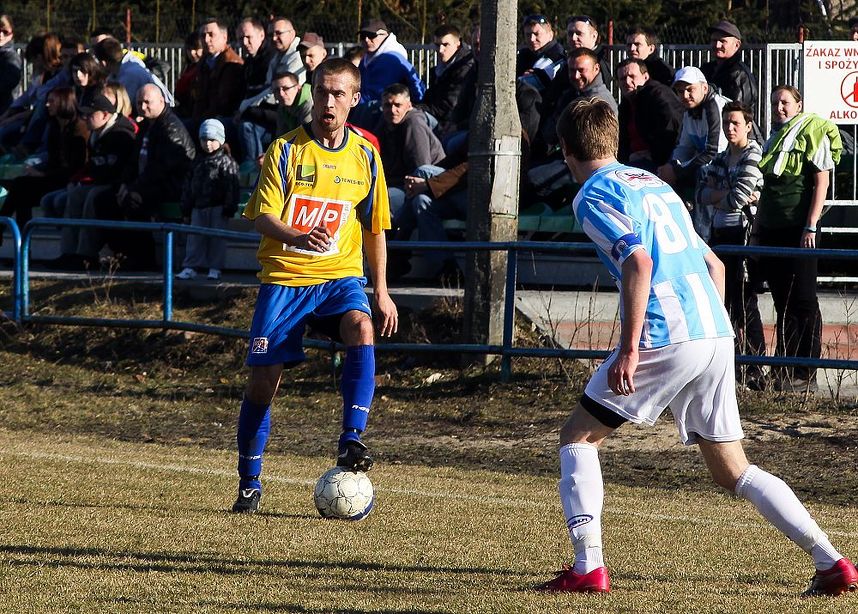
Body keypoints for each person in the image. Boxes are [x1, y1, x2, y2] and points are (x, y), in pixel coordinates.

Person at [537, 96, 857, 598]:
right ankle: (832, 561)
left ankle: (587, 567)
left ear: (564, 149)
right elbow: (716, 267)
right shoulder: (655, 185)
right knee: (734, 470)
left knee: (578, 437)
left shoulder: (593, 194)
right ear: (613, 139)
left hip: (669, 334)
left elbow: (637, 264)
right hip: (714, 330)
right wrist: (711, 331)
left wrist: (629, 348)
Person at [230, 58, 398, 514]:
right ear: (312, 92)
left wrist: (380, 290)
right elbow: (262, 214)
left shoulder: (366, 155)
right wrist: (296, 236)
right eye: (322, 92)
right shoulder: (285, 150)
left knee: (361, 326)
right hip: (285, 279)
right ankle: (249, 480)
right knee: (264, 383)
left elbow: (374, 228)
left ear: (354, 100)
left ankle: (350, 440)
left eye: (338, 94)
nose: (328, 102)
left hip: (339, 277)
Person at [754, 85, 842, 392]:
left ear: (799, 104)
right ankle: (786, 368)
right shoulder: (773, 138)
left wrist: (810, 226)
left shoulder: (811, 130)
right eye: (775, 101)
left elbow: (821, 181)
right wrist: (757, 229)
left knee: (803, 300)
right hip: (772, 231)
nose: (779, 107)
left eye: (785, 102)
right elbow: (766, 189)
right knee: (783, 301)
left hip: (798, 230)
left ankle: (806, 373)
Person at [695, 101, 766, 388]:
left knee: (744, 301)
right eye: (726, 123)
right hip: (719, 234)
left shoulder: (753, 155)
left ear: (749, 125)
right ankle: (731, 367)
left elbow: (738, 199)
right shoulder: (723, 157)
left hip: (743, 234)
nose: (730, 128)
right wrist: (726, 194)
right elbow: (700, 193)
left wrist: (720, 195)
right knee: (723, 303)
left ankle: (757, 365)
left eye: (735, 123)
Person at [0, 87, 88, 239]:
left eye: (51, 101)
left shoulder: (79, 129)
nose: (47, 105)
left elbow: (75, 167)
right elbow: (54, 161)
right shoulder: (55, 127)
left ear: (64, 102)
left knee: (21, 187)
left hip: (69, 180)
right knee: (21, 190)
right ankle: (21, 241)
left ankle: (10, 234)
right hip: (55, 176)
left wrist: (41, 174)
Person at [657, 66, 729, 241]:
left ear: (704, 88)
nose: (685, 95)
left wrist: (679, 170)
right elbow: (684, 147)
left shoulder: (715, 107)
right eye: (680, 91)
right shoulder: (690, 110)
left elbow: (714, 151)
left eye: (690, 89)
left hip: (728, 164)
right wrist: (671, 166)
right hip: (709, 162)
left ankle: (701, 238)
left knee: (704, 172)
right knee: (662, 173)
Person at [176, 119, 238, 281]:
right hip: (198, 207)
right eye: (204, 140)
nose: (208, 144)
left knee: (217, 239)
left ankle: (215, 267)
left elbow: (232, 186)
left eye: (212, 140)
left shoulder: (227, 162)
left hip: (218, 208)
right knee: (194, 239)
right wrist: (186, 207)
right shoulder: (196, 161)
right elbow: (188, 186)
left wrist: (229, 206)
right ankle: (191, 266)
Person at [375, 83, 445, 221]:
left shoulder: (414, 123)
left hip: (424, 187)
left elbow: (420, 167)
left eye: (397, 105)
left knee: (383, 199)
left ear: (409, 105)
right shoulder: (384, 124)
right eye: (388, 105)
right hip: (398, 183)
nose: (392, 110)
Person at [353, 18, 426, 129]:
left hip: (383, 111)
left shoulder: (393, 57)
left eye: (371, 35)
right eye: (363, 36)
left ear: (384, 35)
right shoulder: (367, 59)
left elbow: (416, 84)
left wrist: (417, 103)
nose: (367, 40)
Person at [616, 58, 684, 172]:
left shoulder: (660, 96)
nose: (627, 82)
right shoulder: (626, 104)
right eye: (622, 78)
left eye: (632, 76)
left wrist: (652, 154)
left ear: (646, 77)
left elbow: (671, 132)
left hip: (659, 163)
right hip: (632, 161)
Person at [416, 24, 476, 139]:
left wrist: (419, 109)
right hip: (436, 117)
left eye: (445, 45)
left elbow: (449, 105)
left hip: (448, 123)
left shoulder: (465, 69)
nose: (440, 50)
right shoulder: (439, 69)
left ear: (458, 45)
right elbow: (429, 98)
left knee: (414, 118)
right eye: (437, 45)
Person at [701, 20, 758, 120]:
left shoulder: (740, 74)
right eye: (714, 40)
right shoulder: (706, 70)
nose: (717, 45)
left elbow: (739, 110)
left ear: (737, 45)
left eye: (723, 41)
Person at [516, 14, 565, 91]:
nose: (532, 39)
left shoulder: (556, 56)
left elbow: (530, 83)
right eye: (528, 35)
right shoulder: (524, 54)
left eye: (536, 34)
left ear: (550, 34)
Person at [174, 32, 203, 119]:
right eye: (189, 49)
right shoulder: (188, 67)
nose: (192, 53)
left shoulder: (203, 69)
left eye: (196, 48)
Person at [0, 15, 22, 115]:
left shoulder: (11, 57)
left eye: (5, 32)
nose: (0, 35)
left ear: (11, 34)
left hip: (5, 113)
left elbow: (8, 82)